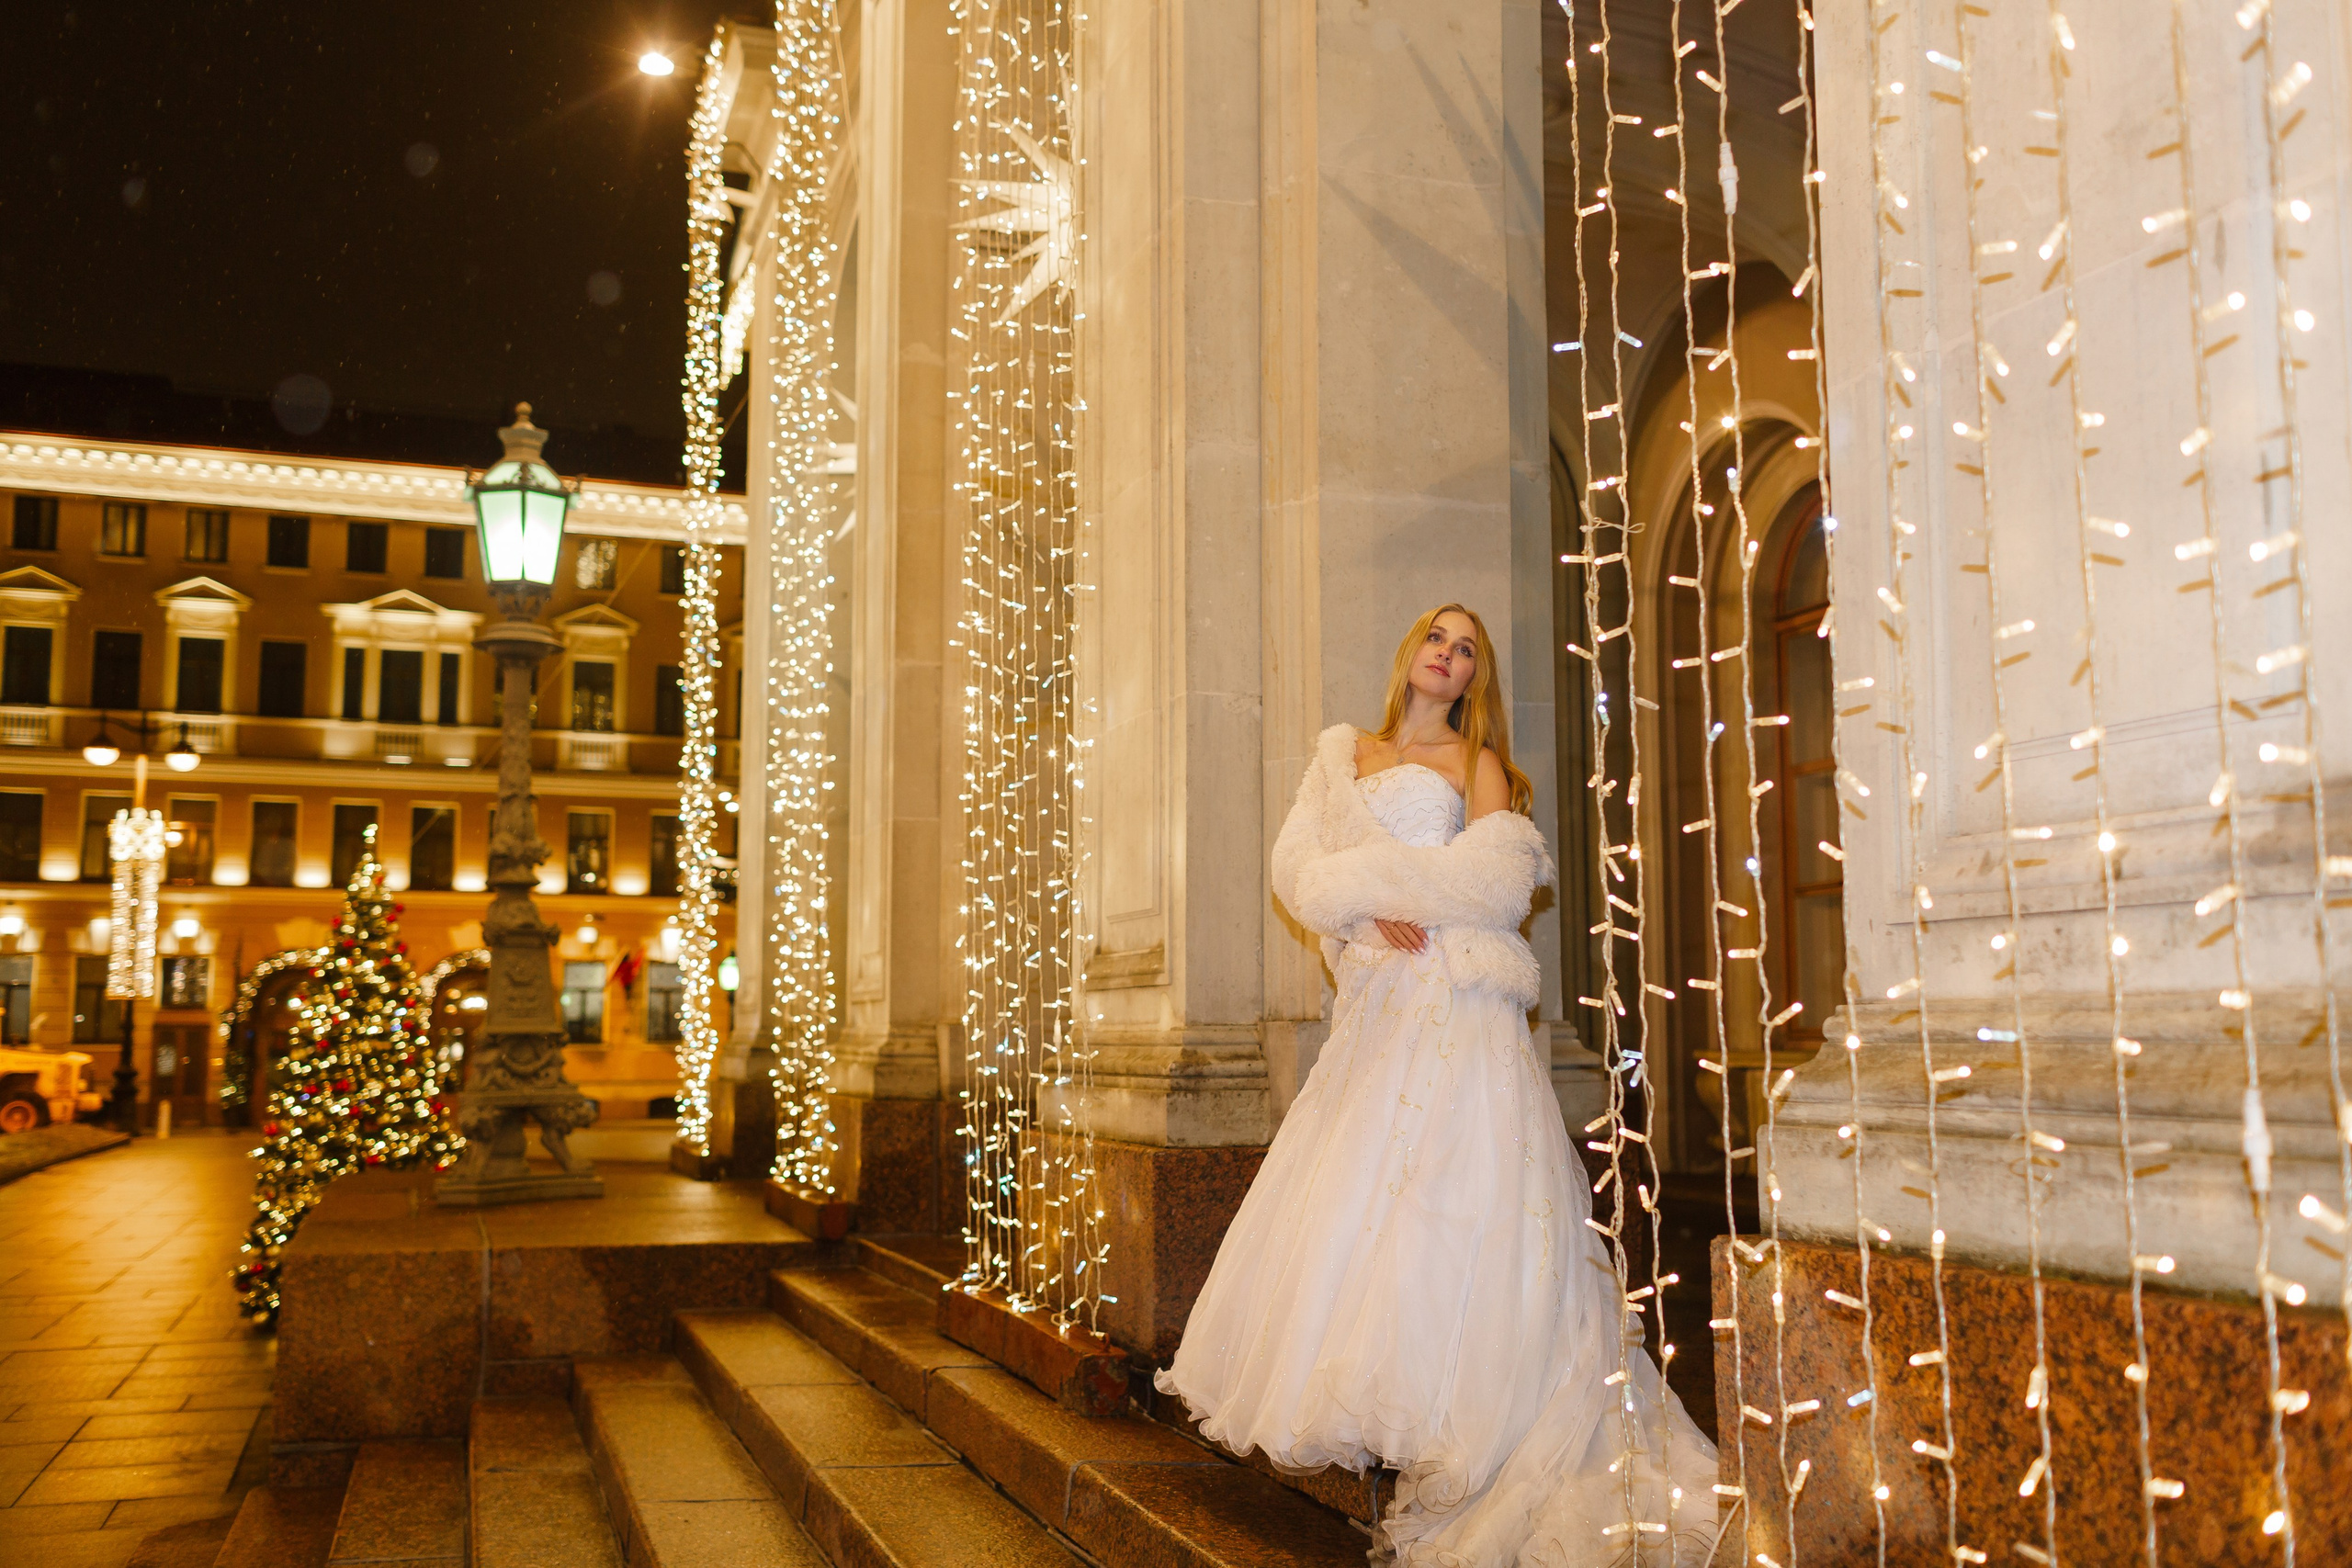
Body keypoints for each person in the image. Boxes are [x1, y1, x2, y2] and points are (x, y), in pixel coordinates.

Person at [1155, 604, 1719, 1565]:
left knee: (1455, 1203)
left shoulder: (1479, 765)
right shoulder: (1342, 756)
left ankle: (1468, 1413)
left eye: (1466, 651)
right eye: (1437, 639)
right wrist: (1363, 918)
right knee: (1358, 1200)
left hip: (1454, 1013)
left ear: (1472, 678)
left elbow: (1495, 888)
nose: (1448, 657)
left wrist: (1371, 883)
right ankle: (1378, 1405)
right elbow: (1297, 873)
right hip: (1375, 1010)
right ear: (1409, 649)